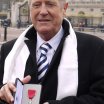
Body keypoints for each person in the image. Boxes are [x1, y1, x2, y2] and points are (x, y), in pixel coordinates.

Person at [0, 0, 104, 104]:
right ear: (30, 9)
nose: (43, 11)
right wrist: (3, 94)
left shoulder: (95, 49)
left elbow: (100, 98)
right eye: (36, 5)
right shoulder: (9, 50)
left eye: (50, 4)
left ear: (64, 8)